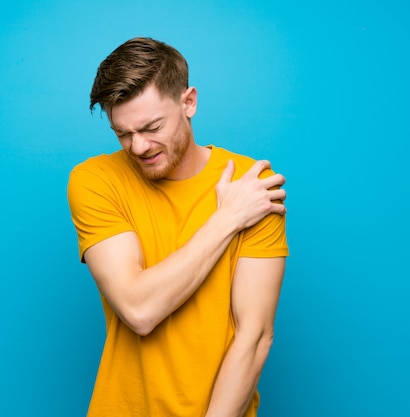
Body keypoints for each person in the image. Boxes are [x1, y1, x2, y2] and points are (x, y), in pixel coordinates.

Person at [67, 37, 289, 417]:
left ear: (189, 103)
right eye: (123, 133)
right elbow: (139, 310)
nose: (138, 147)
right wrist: (228, 219)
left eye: (152, 127)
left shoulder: (252, 185)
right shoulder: (95, 181)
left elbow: (254, 337)